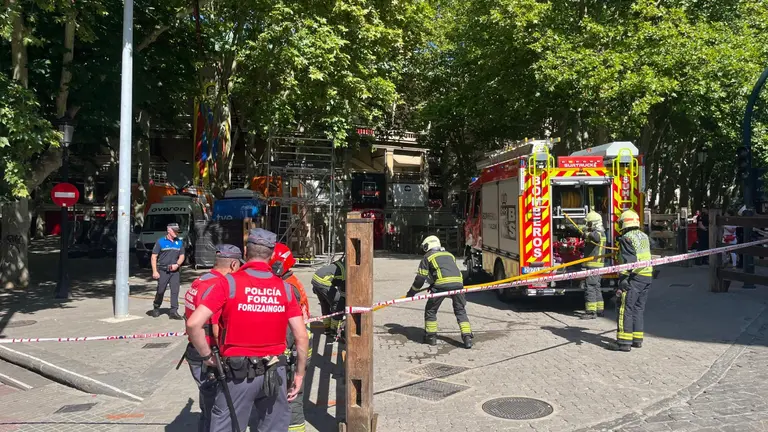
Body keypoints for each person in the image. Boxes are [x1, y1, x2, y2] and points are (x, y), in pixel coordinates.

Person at [186, 228, 309, 432]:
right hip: (274, 371)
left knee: (228, 425)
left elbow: (193, 324)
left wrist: (207, 356)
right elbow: (301, 336)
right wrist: (299, 375)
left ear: (245, 251)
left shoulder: (228, 283)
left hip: (237, 372)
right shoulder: (285, 288)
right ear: (270, 255)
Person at [183, 244, 243, 432]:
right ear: (233, 264)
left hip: (195, 350)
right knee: (220, 409)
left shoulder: (201, 280)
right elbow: (217, 329)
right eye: (240, 266)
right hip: (210, 355)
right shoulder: (218, 286)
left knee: (207, 404)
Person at [270, 243, 312, 432]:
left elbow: (289, 327)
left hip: (293, 352)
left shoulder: (288, 288)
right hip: (297, 348)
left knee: (291, 397)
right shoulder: (291, 281)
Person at [406, 235, 473, 349]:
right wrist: (433, 284)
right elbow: (446, 270)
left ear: (428, 246)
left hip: (441, 285)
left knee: (431, 310)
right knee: (460, 310)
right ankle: (467, 338)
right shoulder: (449, 255)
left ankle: (431, 337)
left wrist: (411, 292)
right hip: (458, 283)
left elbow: (420, 279)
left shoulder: (428, 257)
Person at [609, 210, 653, 352]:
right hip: (647, 276)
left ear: (624, 223)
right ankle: (637, 339)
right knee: (638, 309)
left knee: (625, 308)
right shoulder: (644, 236)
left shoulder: (626, 238)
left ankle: (623, 343)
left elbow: (629, 261)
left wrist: (623, 279)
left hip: (634, 277)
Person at [151, 223, 185, 319]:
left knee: (175, 290)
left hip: (175, 271)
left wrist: (177, 264)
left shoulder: (179, 242)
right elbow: (154, 257)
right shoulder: (160, 241)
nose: (176, 232)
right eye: (174, 230)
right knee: (161, 290)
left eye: (177, 230)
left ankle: (173, 311)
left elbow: (182, 256)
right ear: (169, 230)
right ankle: (156, 306)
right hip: (163, 270)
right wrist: (155, 271)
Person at [580, 211, 606, 320]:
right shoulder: (597, 232)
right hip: (596, 265)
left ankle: (591, 312)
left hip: (594, 265)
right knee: (596, 287)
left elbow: (595, 237)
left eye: (589, 223)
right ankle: (599, 309)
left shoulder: (599, 233)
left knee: (590, 287)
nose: (587, 225)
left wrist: (587, 233)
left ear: (594, 223)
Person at [311, 258, 346, 336]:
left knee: (325, 303)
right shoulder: (345, 270)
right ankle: (334, 329)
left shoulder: (339, 265)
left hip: (316, 279)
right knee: (339, 302)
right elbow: (343, 290)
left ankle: (326, 327)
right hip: (323, 282)